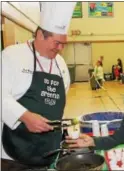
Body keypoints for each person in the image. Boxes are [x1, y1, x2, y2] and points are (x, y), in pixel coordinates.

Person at [1, 2, 76, 170]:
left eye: (64, 44)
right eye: (57, 43)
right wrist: (25, 116)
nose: (60, 49)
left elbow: (58, 103)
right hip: (14, 152)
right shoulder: (12, 56)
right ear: (40, 35)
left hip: (48, 149)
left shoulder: (61, 64)